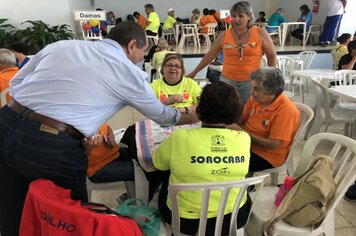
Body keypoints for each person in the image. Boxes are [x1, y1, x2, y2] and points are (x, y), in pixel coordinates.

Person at [0, 22, 195, 236]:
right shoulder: (128, 72)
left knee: (11, 206)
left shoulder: (62, 46)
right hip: (49, 144)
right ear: (131, 45)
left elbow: (17, 83)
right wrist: (194, 113)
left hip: (6, 121)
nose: (142, 57)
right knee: (69, 220)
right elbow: (164, 116)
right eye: (142, 51)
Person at [153, 81, 251, 235]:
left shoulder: (180, 137)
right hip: (233, 217)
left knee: (166, 177)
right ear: (234, 110)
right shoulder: (244, 138)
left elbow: (158, 163)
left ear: (199, 108)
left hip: (187, 221)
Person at [187, 1, 277, 104]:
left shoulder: (260, 33)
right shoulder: (224, 35)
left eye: (240, 16)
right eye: (233, 16)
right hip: (227, 82)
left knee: (248, 114)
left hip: (251, 83)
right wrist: (194, 72)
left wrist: (271, 78)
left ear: (249, 16)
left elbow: (272, 55)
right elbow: (210, 55)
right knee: (228, 113)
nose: (236, 19)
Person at [227, 68, 300, 172]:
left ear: (271, 90)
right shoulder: (255, 99)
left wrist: (242, 133)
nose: (252, 92)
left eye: (256, 89)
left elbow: (272, 145)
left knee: (227, 165)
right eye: (252, 87)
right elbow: (241, 120)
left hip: (268, 156)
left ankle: (245, 187)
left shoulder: (286, 110)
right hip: (246, 144)